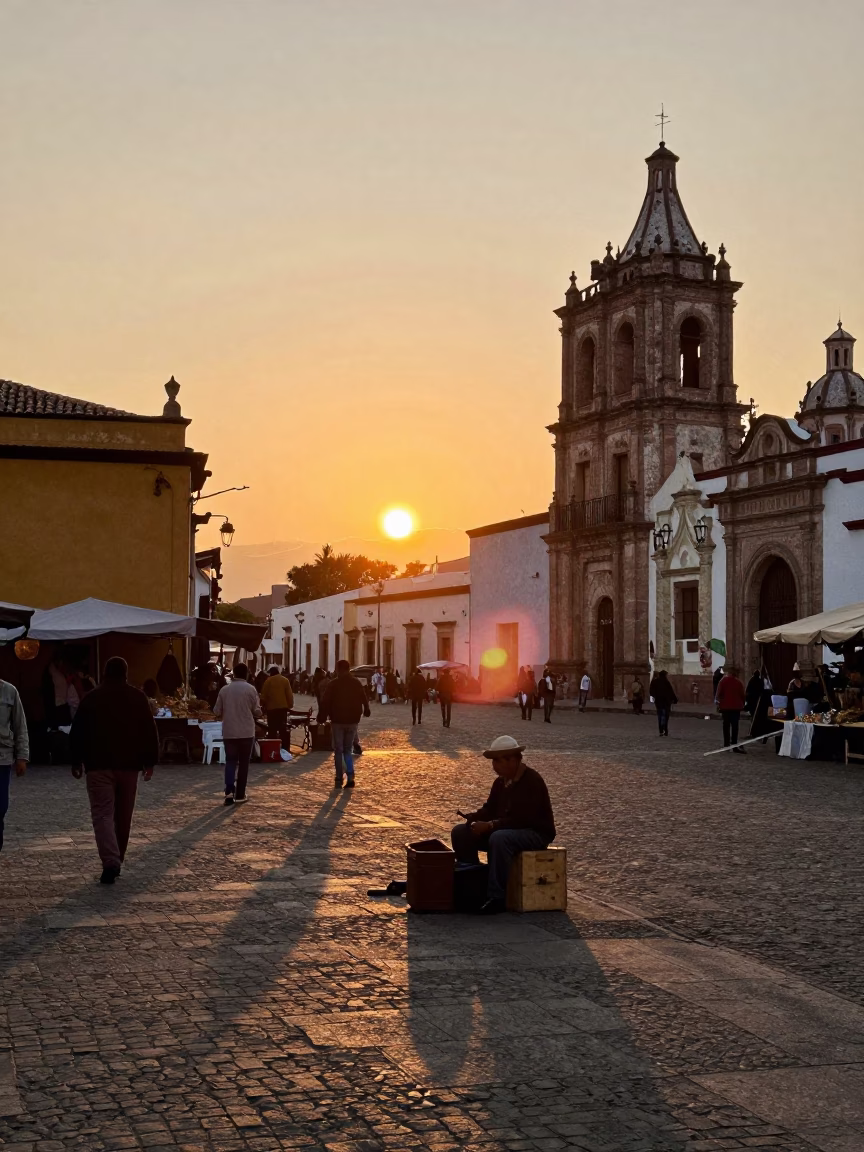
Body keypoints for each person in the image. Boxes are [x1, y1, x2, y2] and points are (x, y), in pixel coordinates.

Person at [69, 657, 159, 883]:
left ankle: (111, 860)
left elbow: (77, 731)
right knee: (123, 815)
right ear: (126, 673)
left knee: (102, 814)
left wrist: (76, 761)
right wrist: (149, 763)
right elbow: (149, 731)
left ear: (105, 673)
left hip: (98, 766)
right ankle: (117, 857)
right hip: (129, 767)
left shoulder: (92, 698)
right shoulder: (138, 698)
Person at [451, 734, 556, 915]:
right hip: (507, 828)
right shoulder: (500, 782)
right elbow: (490, 808)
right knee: (461, 832)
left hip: (535, 833)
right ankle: (472, 884)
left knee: (500, 838)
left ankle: (497, 897)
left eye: (498, 762)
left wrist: (491, 825)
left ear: (512, 760)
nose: (494, 767)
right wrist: (473, 818)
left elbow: (524, 819)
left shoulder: (531, 781)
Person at [214, 662, 262, 806]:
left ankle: (229, 792)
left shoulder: (224, 690)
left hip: (229, 731)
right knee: (244, 764)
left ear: (234, 673)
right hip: (246, 732)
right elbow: (257, 711)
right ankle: (240, 794)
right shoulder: (251, 689)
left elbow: (216, 711)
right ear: (246, 674)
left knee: (230, 761)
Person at [319, 659, 371, 788]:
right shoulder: (355, 682)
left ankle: (338, 778)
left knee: (338, 750)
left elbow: (325, 701)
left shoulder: (333, 684)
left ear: (338, 669)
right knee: (347, 750)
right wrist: (366, 708)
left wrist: (322, 716)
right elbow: (363, 696)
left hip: (337, 720)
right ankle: (350, 776)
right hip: (353, 720)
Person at [0, 678, 29, 853]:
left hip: (2, 758)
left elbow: (20, 725)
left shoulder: (10, 691)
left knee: (0, 807)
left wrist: (22, 756)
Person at [259, 665, 294, 749]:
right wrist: (290, 705)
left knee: (272, 730)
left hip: (271, 710)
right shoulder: (285, 680)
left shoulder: (268, 681)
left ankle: (273, 748)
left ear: (271, 673)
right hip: (282, 709)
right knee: (283, 729)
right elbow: (289, 694)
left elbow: (264, 696)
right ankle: (285, 748)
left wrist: (262, 706)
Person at [716, 666, 747, 752]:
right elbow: (743, 695)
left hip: (725, 707)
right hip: (736, 708)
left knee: (726, 726)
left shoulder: (723, 681)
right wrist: (743, 704)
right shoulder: (739, 682)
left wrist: (719, 703)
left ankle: (726, 745)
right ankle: (734, 745)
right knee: (735, 726)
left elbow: (718, 694)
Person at [649, 669, 677, 736]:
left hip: (658, 701)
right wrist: (675, 699)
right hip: (666, 702)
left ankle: (661, 731)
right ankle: (665, 730)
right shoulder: (666, 682)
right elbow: (671, 691)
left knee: (660, 715)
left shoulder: (655, 682)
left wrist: (655, 696)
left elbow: (651, 691)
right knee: (666, 716)